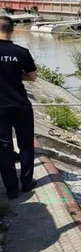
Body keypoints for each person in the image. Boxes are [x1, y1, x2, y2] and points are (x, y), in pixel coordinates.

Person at [0, 15, 38, 199]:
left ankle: (12, 190)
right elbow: (32, 77)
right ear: (12, 30)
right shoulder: (21, 52)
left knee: (4, 149)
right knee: (25, 145)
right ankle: (27, 183)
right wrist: (16, 75)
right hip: (21, 105)